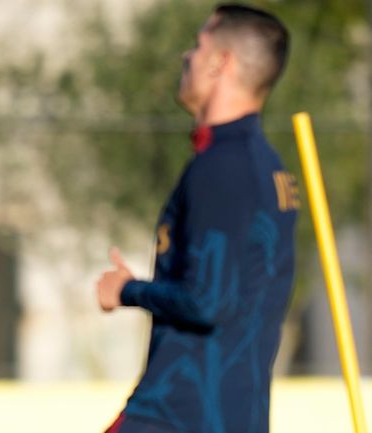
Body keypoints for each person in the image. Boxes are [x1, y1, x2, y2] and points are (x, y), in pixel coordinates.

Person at [96, 4, 298, 433]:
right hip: (233, 414)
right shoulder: (265, 165)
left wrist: (127, 289)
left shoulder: (223, 167)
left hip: (178, 412)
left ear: (222, 63)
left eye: (198, 45)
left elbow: (208, 300)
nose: (187, 56)